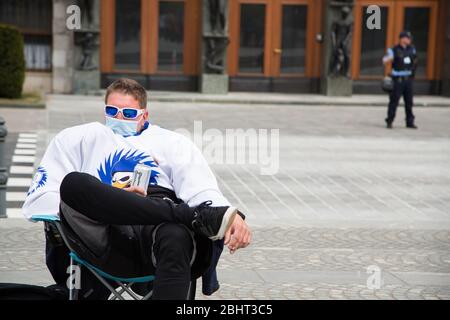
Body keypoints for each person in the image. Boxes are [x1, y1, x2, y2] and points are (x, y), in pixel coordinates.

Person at [22, 78, 251, 300]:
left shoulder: (173, 143)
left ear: (145, 115)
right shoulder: (78, 138)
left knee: (176, 234)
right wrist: (114, 199)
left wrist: (232, 216)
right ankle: (193, 216)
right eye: (112, 111)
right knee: (73, 184)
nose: (119, 118)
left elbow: (202, 189)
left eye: (129, 114)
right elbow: (42, 196)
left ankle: (192, 216)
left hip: (155, 227)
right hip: (102, 229)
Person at [383, 31, 418, 129]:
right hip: (398, 79)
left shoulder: (412, 50)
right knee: (394, 101)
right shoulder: (393, 50)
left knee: (409, 102)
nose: (409, 40)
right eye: (407, 38)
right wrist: (389, 58)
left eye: (409, 38)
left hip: (408, 79)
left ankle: (409, 122)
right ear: (402, 39)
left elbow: (415, 61)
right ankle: (389, 120)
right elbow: (385, 60)